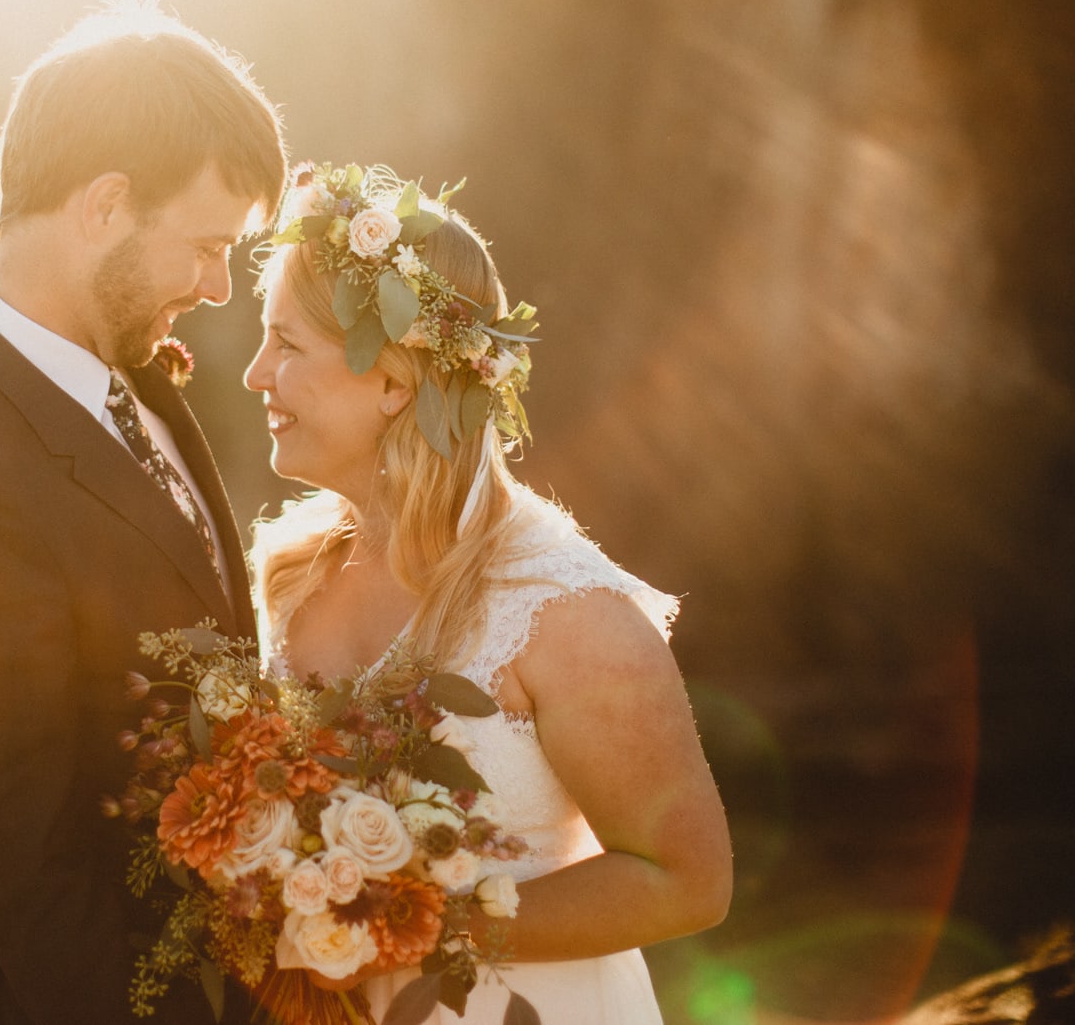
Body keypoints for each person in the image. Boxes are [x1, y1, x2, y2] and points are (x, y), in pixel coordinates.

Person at [0, 0, 287, 1025]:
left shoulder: (120, 358)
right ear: (103, 207)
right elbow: (33, 880)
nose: (219, 286)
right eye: (206, 243)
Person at [242, 164, 732, 1024]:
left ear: (393, 381)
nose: (255, 374)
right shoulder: (291, 573)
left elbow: (690, 880)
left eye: (285, 344)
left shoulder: (563, 608)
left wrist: (418, 929)